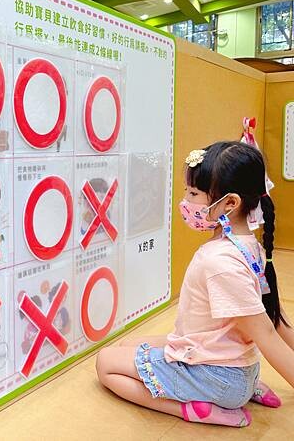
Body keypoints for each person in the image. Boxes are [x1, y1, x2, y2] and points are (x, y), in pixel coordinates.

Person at [96, 141, 294, 427]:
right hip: (234, 365)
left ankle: (192, 409)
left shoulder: (220, 263)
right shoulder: (251, 247)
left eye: (193, 193)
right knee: (129, 344)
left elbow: (267, 335)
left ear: (230, 203)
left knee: (106, 364)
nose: (185, 202)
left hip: (219, 377)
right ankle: (249, 387)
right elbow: (277, 319)